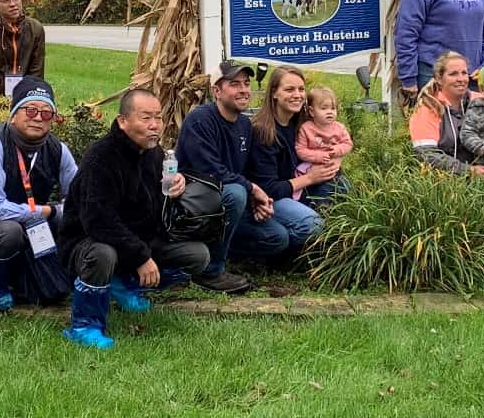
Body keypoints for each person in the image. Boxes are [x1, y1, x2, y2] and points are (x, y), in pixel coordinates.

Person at [55, 88, 203, 349]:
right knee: (104, 254)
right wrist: (141, 257)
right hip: (88, 241)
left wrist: (178, 185)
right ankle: (85, 325)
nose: (154, 126)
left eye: (158, 118)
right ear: (123, 121)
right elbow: (98, 221)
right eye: (146, 118)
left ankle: (123, 284)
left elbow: (153, 207)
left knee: (197, 255)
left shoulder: (155, 154)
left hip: (135, 240)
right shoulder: (101, 157)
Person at [0, 78, 78, 310]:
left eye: (46, 113)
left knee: (54, 284)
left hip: (26, 222)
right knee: (10, 232)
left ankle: (28, 279)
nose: (38, 117)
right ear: (14, 114)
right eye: (30, 110)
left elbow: (79, 199)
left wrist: (60, 214)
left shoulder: (58, 149)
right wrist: (47, 211)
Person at [171, 62, 264, 295]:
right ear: (217, 91)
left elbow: (245, 171)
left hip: (225, 206)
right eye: (234, 84)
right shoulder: (200, 120)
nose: (243, 89)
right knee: (235, 192)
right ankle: (210, 271)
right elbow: (211, 172)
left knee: (277, 237)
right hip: (192, 204)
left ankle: (212, 251)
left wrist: (258, 198)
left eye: (246, 83)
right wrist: (251, 189)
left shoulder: (244, 124)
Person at [243, 67, 331, 262]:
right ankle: (280, 254)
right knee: (313, 225)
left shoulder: (302, 125)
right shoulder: (263, 132)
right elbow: (268, 189)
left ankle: (324, 250)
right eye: (290, 90)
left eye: (301, 89)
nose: (297, 95)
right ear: (274, 93)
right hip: (270, 200)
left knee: (339, 186)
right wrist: (310, 177)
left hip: (297, 191)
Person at [409, 52, 484, 175]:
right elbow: (426, 154)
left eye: (464, 73)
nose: (461, 79)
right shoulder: (428, 108)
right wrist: (468, 170)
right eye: (453, 74)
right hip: (443, 179)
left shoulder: (481, 101)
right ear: (438, 78)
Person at [294, 86, 353, 204]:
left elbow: (348, 144)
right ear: (311, 111)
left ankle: (345, 211)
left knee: (347, 189)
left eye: (333, 108)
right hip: (314, 170)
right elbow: (300, 150)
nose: (330, 112)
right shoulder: (307, 128)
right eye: (324, 108)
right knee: (322, 193)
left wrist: (337, 149)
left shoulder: (339, 127)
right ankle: (322, 213)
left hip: (335, 169)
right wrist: (318, 156)